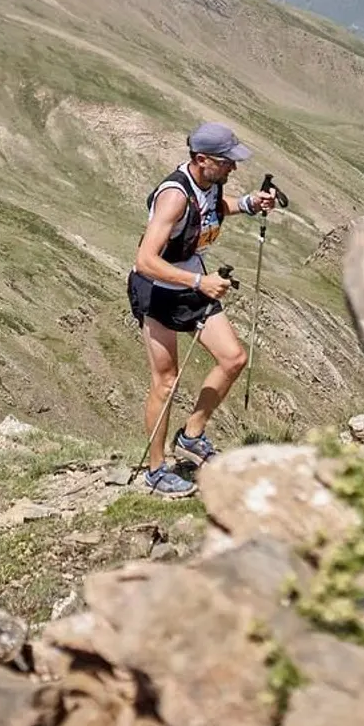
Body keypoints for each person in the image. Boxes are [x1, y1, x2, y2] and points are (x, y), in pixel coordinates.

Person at [128, 122, 277, 497]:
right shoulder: (174, 196)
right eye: (227, 162)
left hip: (193, 282)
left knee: (233, 358)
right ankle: (156, 469)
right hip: (159, 290)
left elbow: (211, 210)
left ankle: (192, 435)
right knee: (166, 381)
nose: (234, 169)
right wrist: (198, 283)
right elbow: (145, 259)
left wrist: (246, 204)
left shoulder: (210, 184)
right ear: (201, 159)